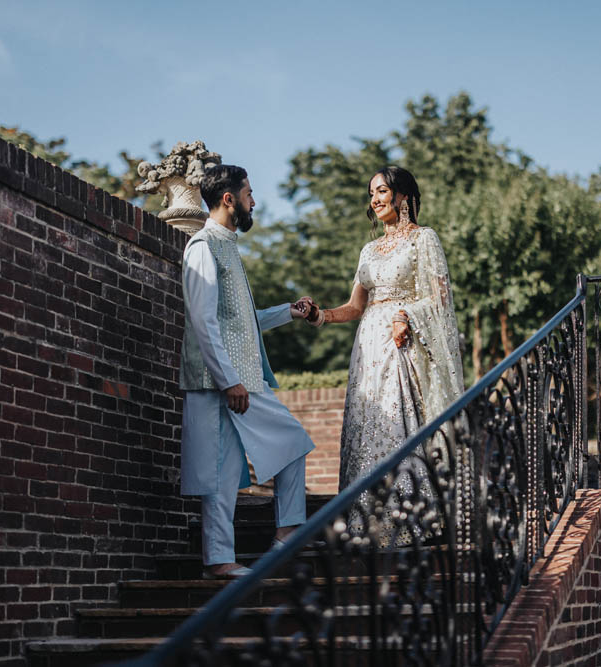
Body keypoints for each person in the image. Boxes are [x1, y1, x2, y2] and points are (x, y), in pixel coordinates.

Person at [306, 165, 464, 542]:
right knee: (366, 427)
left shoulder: (424, 239)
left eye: (381, 191)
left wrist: (406, 315)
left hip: (401, 345)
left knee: (397, 423)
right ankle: (365, 520)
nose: (375, 199)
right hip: (367, 349)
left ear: (403, 196)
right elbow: (355, 306)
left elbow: (440, 299)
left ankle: (409, 518)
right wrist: (320, 316)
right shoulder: (369, 249)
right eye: (371, 193)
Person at [180, 164, 316, 579]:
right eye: (249, 194)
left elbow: (239, 320)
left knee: (237, 465)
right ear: (229, 199)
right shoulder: (203, 246)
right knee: (224, 470)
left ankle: (267, 543)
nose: (253, 201)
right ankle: (231, 557)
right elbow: (203, 321)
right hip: (223, 380)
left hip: (236, 379)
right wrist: (229, 381)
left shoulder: (227, 247)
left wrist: (287, 313)